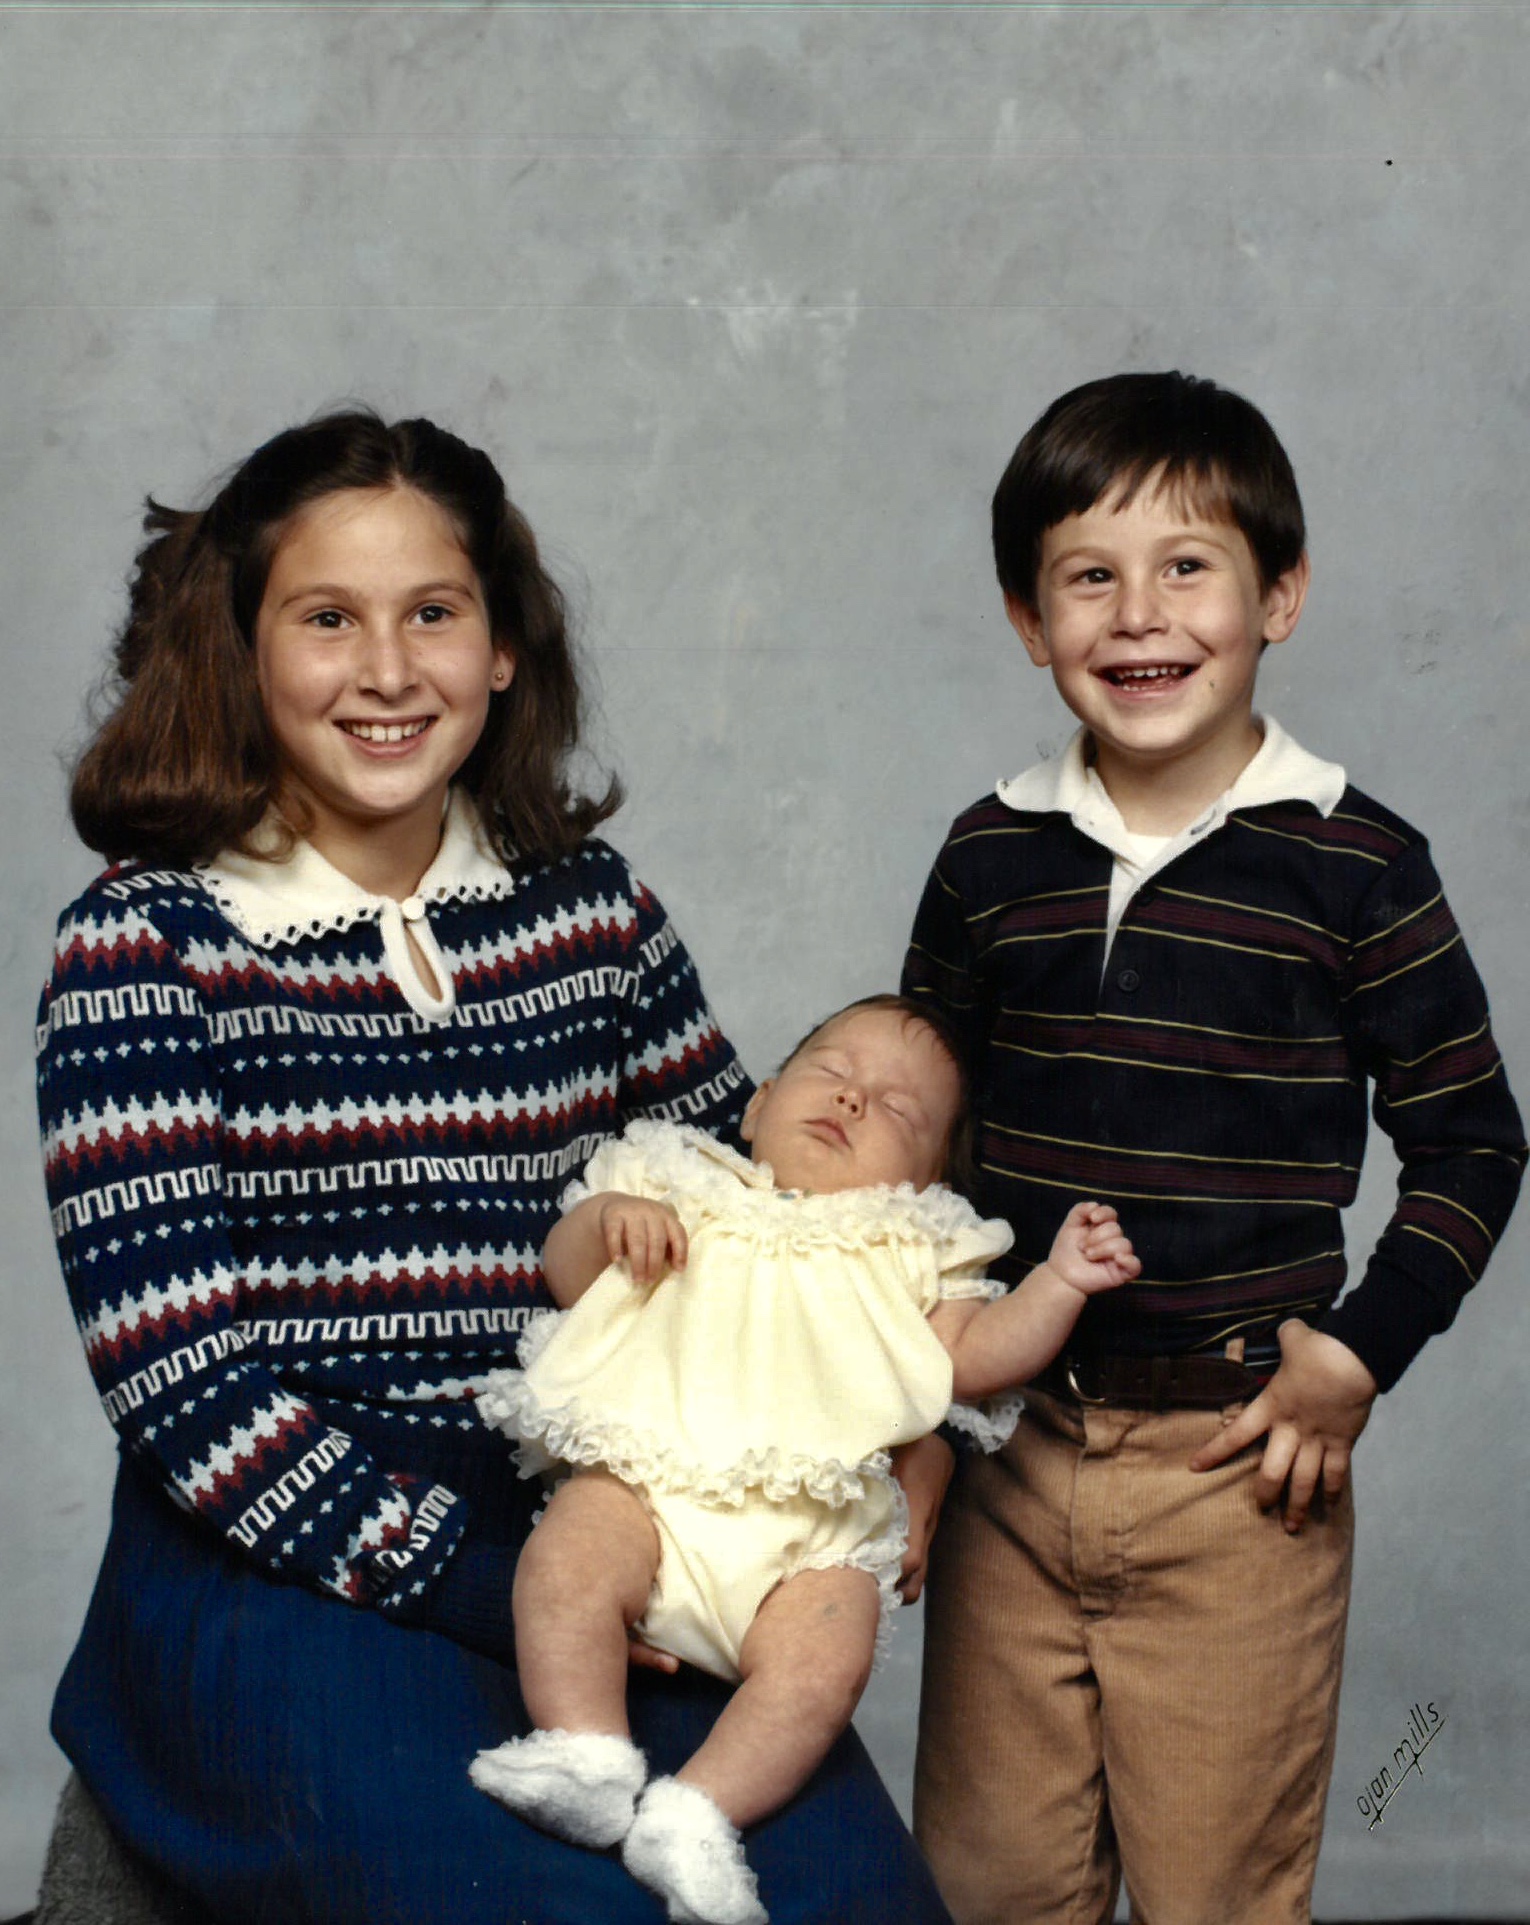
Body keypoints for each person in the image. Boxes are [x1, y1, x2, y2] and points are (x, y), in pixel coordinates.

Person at [35, 410, 951, 1925]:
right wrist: (471, 1577)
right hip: (289, 1550)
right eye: (327, 619)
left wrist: (918, 1420)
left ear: (504, 648)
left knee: (851, 1904)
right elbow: (178, 1380)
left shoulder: (590, 912)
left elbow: (772, 1211)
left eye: (433, 614)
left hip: (609, 1511)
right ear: (242, 649)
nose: (388, 671)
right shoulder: (147, 945)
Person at [901, 371, 1527, 1925]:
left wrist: (1356, 1354)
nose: (1138, 616)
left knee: (1214, 1896)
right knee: (985, 1884)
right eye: (1086, 576)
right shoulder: (987, 857)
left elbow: (1470, 1142)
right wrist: (910, 1411)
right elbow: (920, 1149)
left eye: (1186, 566)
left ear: (1278, 596)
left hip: (1235, 1472)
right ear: (1025, 618)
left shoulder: (1355, 865)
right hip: (1006, 1453)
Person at [469, 995, 1139, 1925]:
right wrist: (611, 1219)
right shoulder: (675, 1178)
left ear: (927, 1180)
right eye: (832, 1070)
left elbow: (972, 1359)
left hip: (807, 1538)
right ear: (758, 1103)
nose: (855, 1099)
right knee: (565, 1561)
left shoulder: (914, 1248)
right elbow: (567, 1272)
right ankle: (586, 1749)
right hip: (645, 1489)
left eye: (898, 1109)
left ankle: (697, 1813)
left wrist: (1060, 1282)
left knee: (827, 1660)